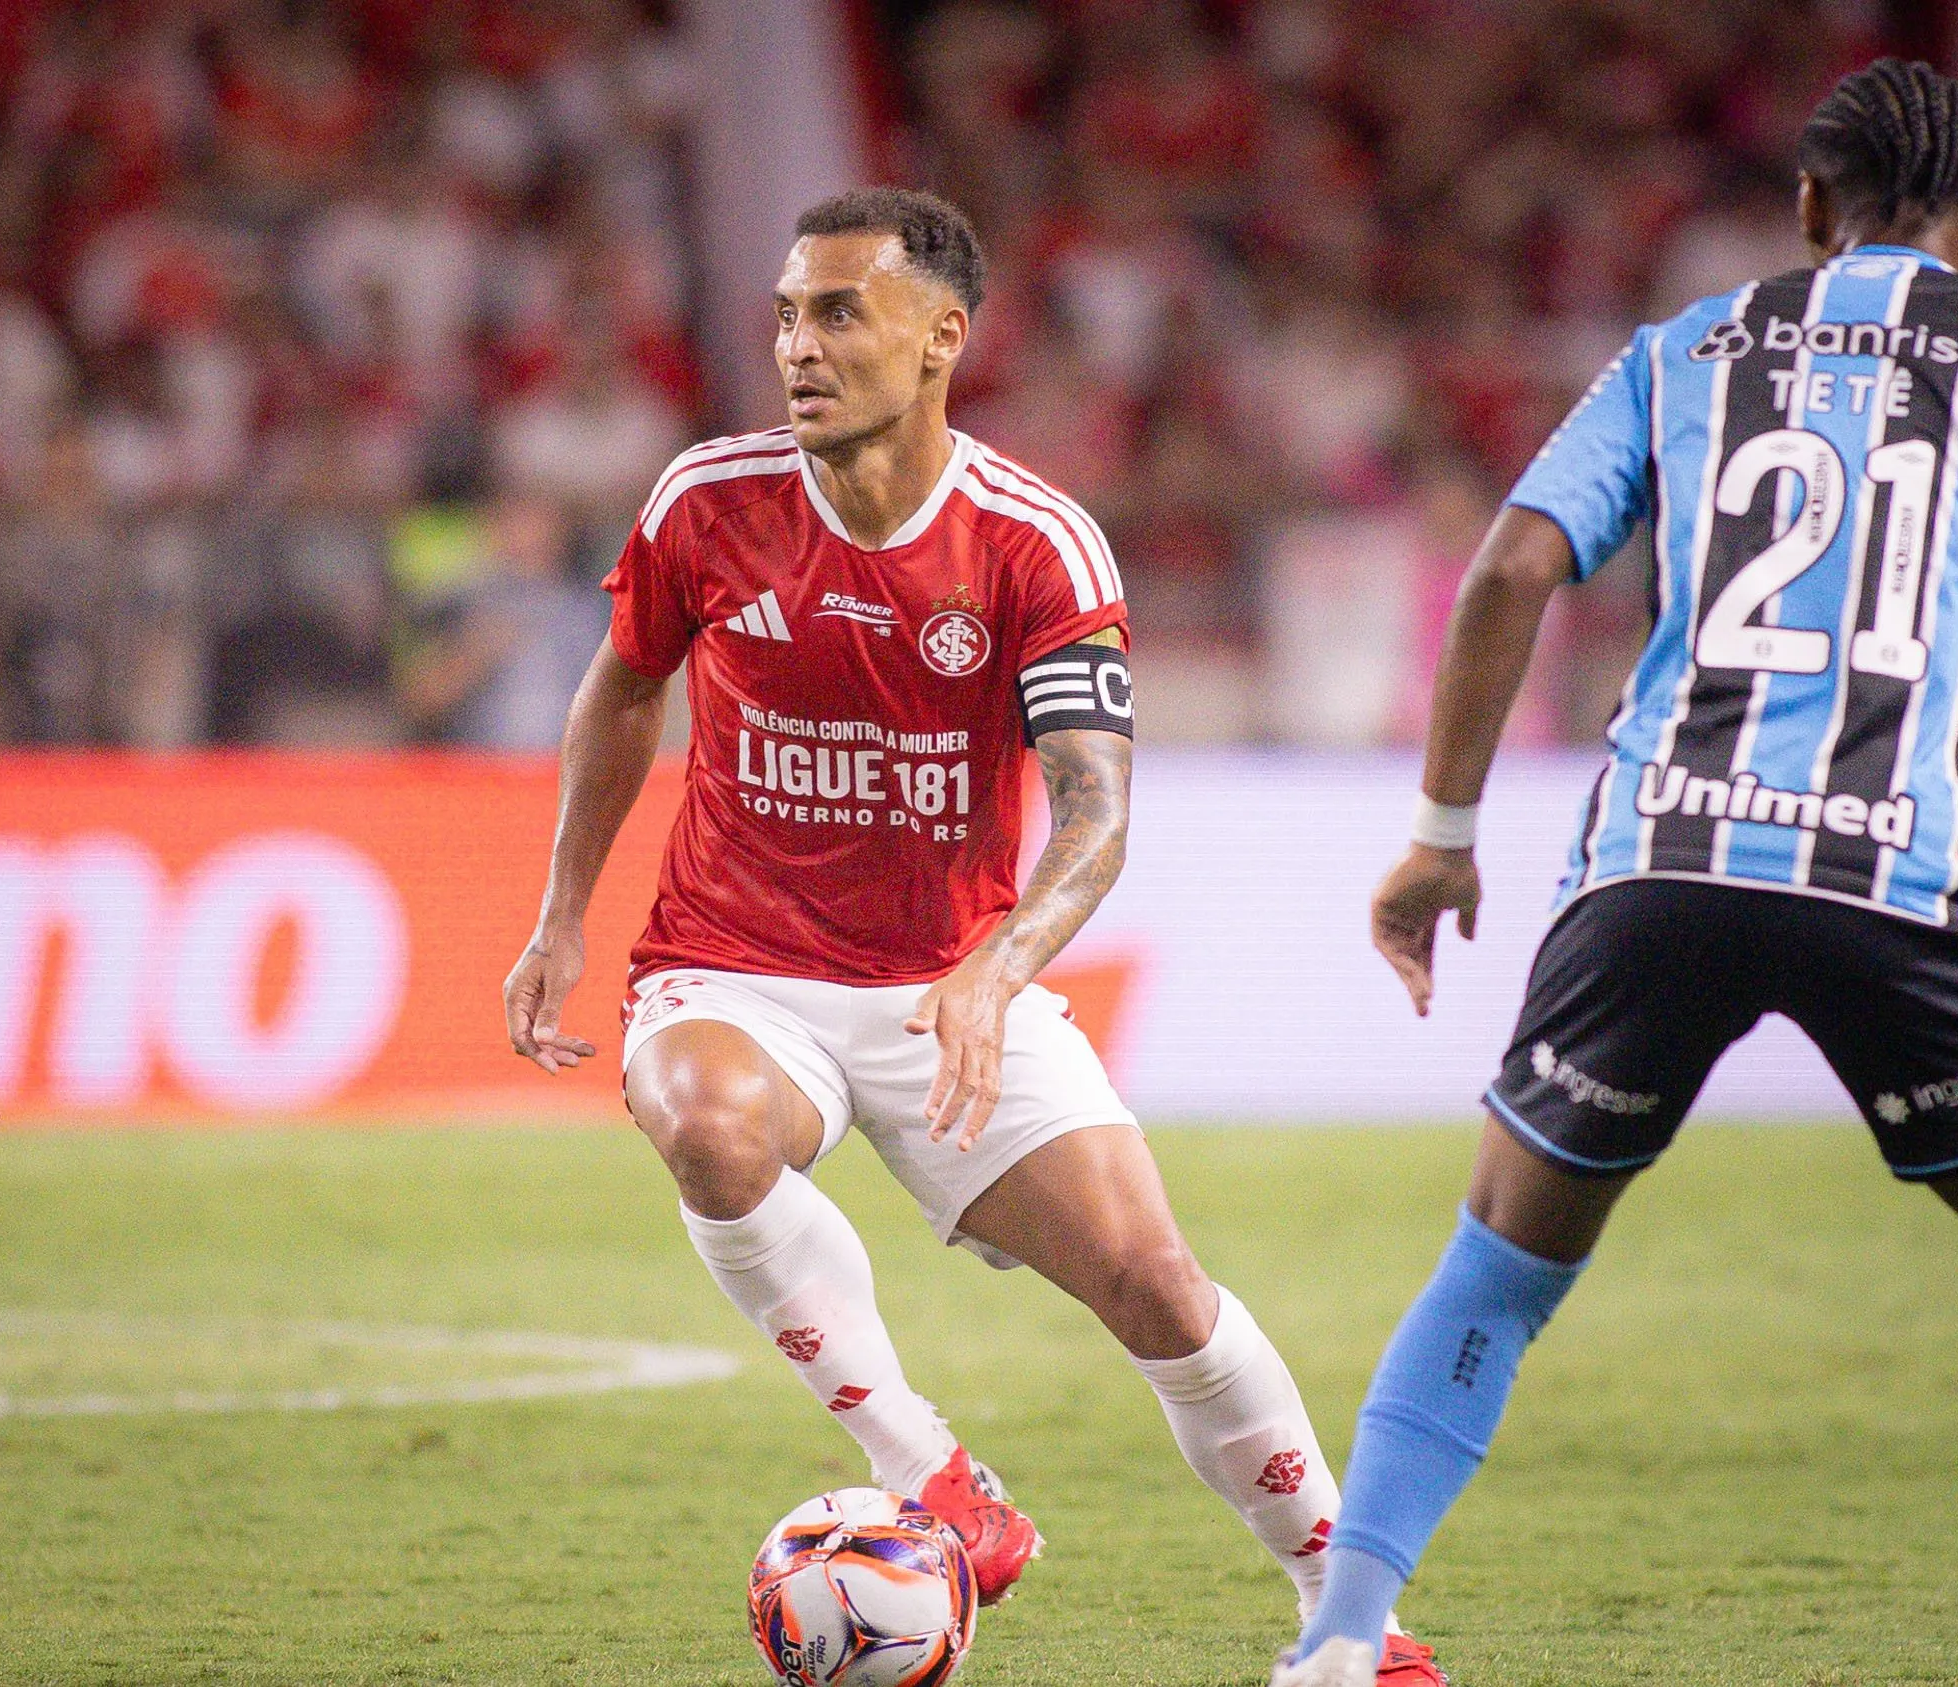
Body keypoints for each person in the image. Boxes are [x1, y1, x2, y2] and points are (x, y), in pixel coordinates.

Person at [1273, 61, 1958, 1687]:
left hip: (1661, 862)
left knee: (1498, 1263)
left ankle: (1344, 1634)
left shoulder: (1686, 349)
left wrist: (1440, 835)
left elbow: (1507, 570)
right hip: (1901, 884)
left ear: (1810, 208)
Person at [503, 188, 1442, 1684]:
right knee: (708, 1126)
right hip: (733, 965)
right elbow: (622, 690)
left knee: (1159, 1287)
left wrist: (994, 974)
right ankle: (931, 1475)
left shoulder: (1032, 544)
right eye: (786, 315)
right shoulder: (705, 502)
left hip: (949, 981)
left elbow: (1096, 814)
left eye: (838, 314)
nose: (797, 347)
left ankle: (1354, 1621)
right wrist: (563, 915)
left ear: (941, 338)